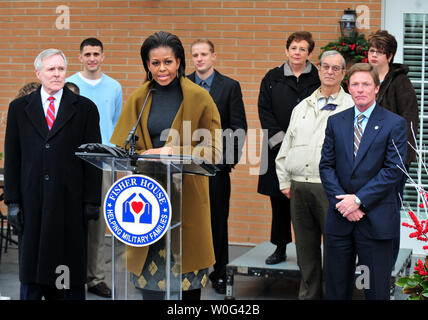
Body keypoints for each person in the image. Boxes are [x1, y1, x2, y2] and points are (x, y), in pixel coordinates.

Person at [110, 31, 222, 300]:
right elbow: (121, 149)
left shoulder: (199, 98)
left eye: (168, 62)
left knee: (186, 292)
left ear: (180, 62)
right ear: (147, 65)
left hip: (187, 204)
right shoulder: (139, 98)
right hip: (146, 203)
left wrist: (170, 151)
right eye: (155, 63)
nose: (162, 69)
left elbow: (216, 151)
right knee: (149, 289)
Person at [4, 48, 102, 300]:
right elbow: (13, 157)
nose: (57, 74)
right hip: (32, 201)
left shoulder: (84, 108)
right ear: (38, 73)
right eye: (51, 69)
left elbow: (93, 159)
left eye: (60, 69)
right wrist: (12, 202)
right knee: (33, 271)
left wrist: (92, 200)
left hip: (69, 202)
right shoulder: (18, 108)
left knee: (67, 274)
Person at [319, 63, 407, 300]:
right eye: (355, 84)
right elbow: (326, 166)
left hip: (375, 221)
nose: (360, 89)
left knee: (375, 291)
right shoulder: (336, 122)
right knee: (337, 290)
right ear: (348, 87)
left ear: (376, 88)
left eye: (366, 84)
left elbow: (394, 170)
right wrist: (343, 204)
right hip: (340, 220)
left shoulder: (394, 123)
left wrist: (358, 200)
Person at [276, 50, 354, 299]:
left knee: (335, 251)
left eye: (336, 68)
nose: (329, 72)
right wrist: (284, 181)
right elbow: (286, 146)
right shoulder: (302, 107)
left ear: (343, 73)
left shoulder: (351, 107)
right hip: (299, 188)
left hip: (331, 190)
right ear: (318, 69)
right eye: (325, 67)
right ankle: (308, 296)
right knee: (305, 252)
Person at [187, 39, 247, 294]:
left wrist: (224, 163)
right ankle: (190, 269)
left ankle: (219, 273)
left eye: (204, 54)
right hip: (186, 167)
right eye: (195, 55)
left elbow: (238, 128)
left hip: (216, 169)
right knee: (188, 220)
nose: (199, 59)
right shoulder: (183, 84)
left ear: (214, 56)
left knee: (217, 221)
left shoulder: (229, 86)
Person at [257, 31, 320, 264]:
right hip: (277, 150)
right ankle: (280, 248)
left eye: (303, 49)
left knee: (309, 202)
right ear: (286, 50)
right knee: (279, 200)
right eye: (293, 48)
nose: (297, 52)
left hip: (309, 149)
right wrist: (283, 143)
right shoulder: (272, 77)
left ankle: (310, 253)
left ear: (310, 53)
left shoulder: (317, 77)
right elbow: (264, 110)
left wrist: (305, 142)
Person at [66, 37, 123, 298]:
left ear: (103, 56)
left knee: (99, 222)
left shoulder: (114, 87)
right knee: (71, 220)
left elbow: (115, 123)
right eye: (87, 54)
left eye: (96, 54)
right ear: (79, 57)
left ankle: (96, 277)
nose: (91, 58)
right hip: (72, 160)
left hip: (101, 162)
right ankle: (72, 273)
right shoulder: (69, 85)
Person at [367, 30, 419, 267]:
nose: (373, 55)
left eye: (379, 52)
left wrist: (402, 160)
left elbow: (409, 122)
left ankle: (388, 262)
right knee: (367, 209)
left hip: (393, 161)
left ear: (389, 56)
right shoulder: (366, 79)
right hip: (367, 160)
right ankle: (370, 259)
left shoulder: (400, 82)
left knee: (388, 212)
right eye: (371, 51)